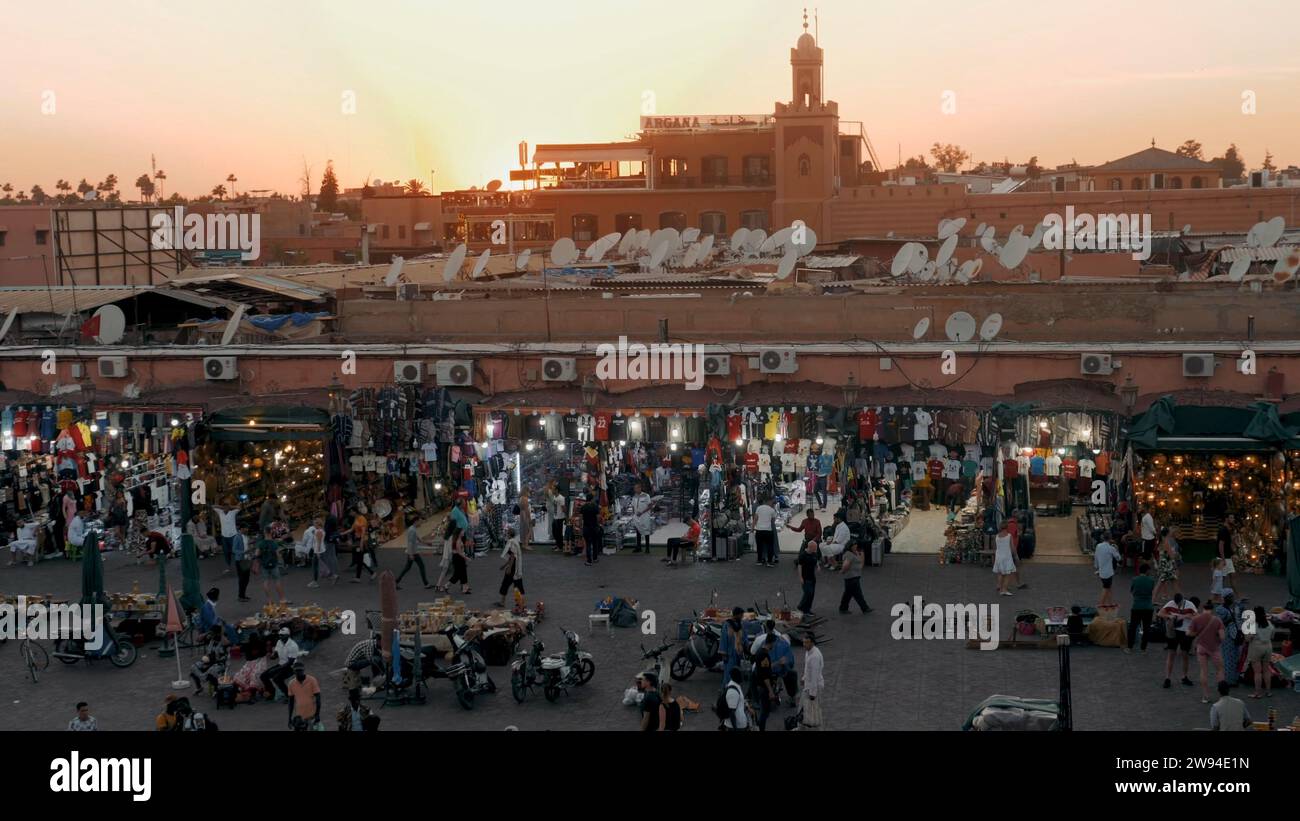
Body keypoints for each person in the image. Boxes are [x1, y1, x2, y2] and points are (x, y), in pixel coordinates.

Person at [1188, 599, 1226, 704]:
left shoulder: (1196, 619)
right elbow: (1222, 637)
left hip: (1201, 648)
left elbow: (1190, 634)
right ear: (1212, 609)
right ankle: (1222, 696)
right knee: (1219, 670)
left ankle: (1205, 696)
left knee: (1204, 671)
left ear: (1203, 608)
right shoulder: (1217, 620)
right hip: (1214, 648)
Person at [1159, 593, 1197, 689]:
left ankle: (1184, 676)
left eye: (1179, 603)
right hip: (1173, 632)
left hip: (1185, 632)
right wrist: (1169, 616)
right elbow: (1160, 613)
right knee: (1171, 654)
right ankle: (1167, 678)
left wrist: (1185, 616)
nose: (1178, 605)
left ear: (1183, 600)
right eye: (1176, 604)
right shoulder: (1171, 603)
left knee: (1185, 655)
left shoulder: (1190, 605)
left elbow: (1197, 617)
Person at [261, 627, 300, 701]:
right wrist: (271, 656)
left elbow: (290, 662)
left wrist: (276, 669)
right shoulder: (279, 642)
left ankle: (289, 696)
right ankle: (272, 693)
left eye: (282, 635)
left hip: (291, 667)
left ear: (288, 635)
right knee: (263, 676)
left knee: (277, 679)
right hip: (281, 664)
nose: (280, 636)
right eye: (280, 635)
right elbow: (275, 655)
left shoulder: (293, 646)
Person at [395, 514, 433, 590]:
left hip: (413, 552)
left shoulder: (413, 529)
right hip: (413, 553)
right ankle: (426, 584)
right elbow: (410, 543)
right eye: (420, 521)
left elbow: (418, 539)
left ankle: (396, 582)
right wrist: (411, 554)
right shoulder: (412, 530)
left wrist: (426, 543)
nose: (421, 523)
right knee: (420, 566)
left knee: (407, 568)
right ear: (416, 521)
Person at [1245, 605, 1275, 699]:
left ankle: (1258, 693)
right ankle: (1268, 691)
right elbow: (1272, 636)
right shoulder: (1269, 624)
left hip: (1256, 648)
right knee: (1266, 670)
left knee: (1257, 672)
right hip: (1268, 647)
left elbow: (1248, 638)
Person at [1125, 563, 1156, 653]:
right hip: (1148, 607)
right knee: (1146, 628)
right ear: (1146, 571)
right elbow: (1151, 591)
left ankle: (1129, 647)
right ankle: (1143, 648)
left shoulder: (1135, 579)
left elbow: (1132, 591)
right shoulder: (1151, 580)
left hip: (1137, 606)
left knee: (1133, 627)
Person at [191, 626, 228, 695]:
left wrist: (221, 634)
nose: (212, 635)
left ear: (218, 633)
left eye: (213, 633)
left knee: (212, 670)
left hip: (219, 663)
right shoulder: (210, 639)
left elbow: (226, 643)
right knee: (194, 667)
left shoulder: (223, 640)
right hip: (208, 661)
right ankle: (199, 687)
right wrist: (207, 633)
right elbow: (198, 639)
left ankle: (216, 689)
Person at [750, 634, 777, 731]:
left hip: (760, 685)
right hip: (763, 687)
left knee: (764, 711)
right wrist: (770, 691)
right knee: (764, 712)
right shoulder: (764, 655)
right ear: (772, 642)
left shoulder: (760, 652)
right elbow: (765, 675)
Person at [1215, 594, 1243, 687]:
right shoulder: (1221, 609)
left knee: (1236, 657)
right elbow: (1221, 623)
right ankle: (1229, 680)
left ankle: (1234, 678)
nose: (1232, 599)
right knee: (1228, 658)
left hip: (1234, 635)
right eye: (1230, 597)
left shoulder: (1233, 607)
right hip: (1227, 636)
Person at [838, 539, 872, 614]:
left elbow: (861, 564)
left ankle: (843, 608)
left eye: (856, 545)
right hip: (851, 577)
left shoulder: (855, 553)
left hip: (854, 576)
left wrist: (861, 554)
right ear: (850, 546)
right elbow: (846, 565)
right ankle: (865, 608)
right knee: (858, 594)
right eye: (854, 546)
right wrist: (842, 571)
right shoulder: (848, 554)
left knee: (848, 594)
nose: (855, 546)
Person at [799, 633, 824, 730]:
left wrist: (812, 693)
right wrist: (804, 678)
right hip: (808, 685)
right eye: (804, 642)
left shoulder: (814, 657)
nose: (804, 644)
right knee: (805, 709)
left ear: (812, 643)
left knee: (813, 712)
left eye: (807, 642)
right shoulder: (809, 652)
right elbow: (808, 669)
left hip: (813, 687)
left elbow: (814, 676)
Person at [287, 661, 321, 730]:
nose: (299, 672)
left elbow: (318, 698)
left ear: (303, 670)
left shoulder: (312, 680)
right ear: (293, 671)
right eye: (296, 670)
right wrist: (289, 718)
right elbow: (291, 702)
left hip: (311, 715)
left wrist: (317, 714)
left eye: (300, 670)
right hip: (299, 717)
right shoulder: (291, 683)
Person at [256, 525, 286, 604]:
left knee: (266, 582)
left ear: (264, 532)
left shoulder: (261, 543)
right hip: (274, 564)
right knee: (277, 581)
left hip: (264, 565)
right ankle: (282, 599)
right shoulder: (274, 543)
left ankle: (269, 600)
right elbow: (278, 555)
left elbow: (257, 554)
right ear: (271, 532)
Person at [496, 526, 524, 607]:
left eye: (507, 533)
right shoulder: (515, 541)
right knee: (518, 585)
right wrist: (504, 566)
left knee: (506, 583)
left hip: (513, 567)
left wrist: (509, 568)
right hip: (517, 566)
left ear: (509, 534)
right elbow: (513, 556)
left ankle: (503, 602)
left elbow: (512, 556)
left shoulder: (511, 542)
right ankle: (520, 603)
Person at [1092, 530, 1122, 607]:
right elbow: (1118, 558)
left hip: (1101, 570)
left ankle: (1110, 602)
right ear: (1110, 538)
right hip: (1108, 572)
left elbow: (1096, 557)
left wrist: (1097, 567)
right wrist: (1116, 548)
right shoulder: (1111, 548)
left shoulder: (1098, 546)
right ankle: (1101, 604)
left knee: (1109, 587)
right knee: (1106, 588)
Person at [1153, 526, 1181, 602]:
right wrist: (1175, 555)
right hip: (1167, 565)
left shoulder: (1161, 541)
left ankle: (1179, 597)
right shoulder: (1166, 542)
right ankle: (1180, 598)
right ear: (1168, 533)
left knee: (1164, 582)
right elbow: (1171, 555)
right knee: (1171, 581)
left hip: (1163, 564)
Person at [719, 667, 750, 731]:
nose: (743, 676)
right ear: (737, 676)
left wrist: (747, 706)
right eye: (741, 674)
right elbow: (731, 712)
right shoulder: (732, 691)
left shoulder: (736, 685)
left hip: (739, 725)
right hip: (736, 727)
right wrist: (735, 728)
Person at [350, 509, 377, 583]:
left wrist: (362, 543)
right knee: (360, 559)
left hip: (361, 542)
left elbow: (363, 533)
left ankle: (371, 572)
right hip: (361, 541)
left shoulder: (362, 520)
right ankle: (359, 577)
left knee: (360, 559)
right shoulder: (358, 519)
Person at [993, 520, 1017, 597]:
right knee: (1007, 574)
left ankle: (999, 587)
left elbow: (996, 547)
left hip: (999, 556)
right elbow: (1012, 547)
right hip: (1006, 556)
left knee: (1000, 573)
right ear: (1007, 527)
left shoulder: (997, 536)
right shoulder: (1009, 536)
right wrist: (1016, 555)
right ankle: (1004, 590)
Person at [213, 503, 240, 574]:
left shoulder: (232, 512)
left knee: (236, 551)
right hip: (224, 536)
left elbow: (239, 507)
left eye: (227, 507)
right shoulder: (220, 512)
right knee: (226, 552)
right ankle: (228, 567)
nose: (225, 509)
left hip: (233, 535)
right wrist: (222, 507)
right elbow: (213, 506)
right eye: (224, 507)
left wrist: (230, 506)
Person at [752, 494, 777, 567]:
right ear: (769, 501)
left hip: (759, 530)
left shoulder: (759, 508)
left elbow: (755, 519)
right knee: (770, 546)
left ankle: (759, 560)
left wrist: (752, 528)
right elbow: (773, 521)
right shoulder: (772, 510)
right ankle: (769, 562)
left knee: (759, 546)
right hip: (768, 530)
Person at [1216, 514, 1238, 592]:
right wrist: (1223, 559)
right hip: (1223, 558)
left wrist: (1233, 553)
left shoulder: (1229, 530)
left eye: (1233, 518)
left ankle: (1238, 595)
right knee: (1221, 578)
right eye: (1231, 518)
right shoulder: (1223, 530)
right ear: (1226, 519)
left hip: (1228, 557)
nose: (1233, 519)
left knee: (1232, 575)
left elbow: (1230, 544)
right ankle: (1217, 596)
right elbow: (1220, 545)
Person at [796, 539, 818, 615]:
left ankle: (807, 609)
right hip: (805, 577)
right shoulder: (803, 555)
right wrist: (800, 577)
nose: (815, 549)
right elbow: (799, 566)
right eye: (815, 548)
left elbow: (816, 560)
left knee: (812, 594)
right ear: (810, 547)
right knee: (808, 593)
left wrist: (817, 566)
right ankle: (801, 607)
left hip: (812, 577)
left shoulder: (814, 553)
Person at [630, 484, 653, 554]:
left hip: (645, 516)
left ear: (640, 488)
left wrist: (642, 512)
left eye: (636, 488)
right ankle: (639, 547)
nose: (635, 490)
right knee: (638, 531)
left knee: (646, 532)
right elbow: (633, 506)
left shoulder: (646, 495)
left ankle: (647, 548)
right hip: (637, 517)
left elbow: (650, 506)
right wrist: (634, 514)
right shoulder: (634, 496)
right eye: (634, 488)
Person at [302, 518, 325, 588]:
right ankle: (331, 576)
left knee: (315, 567)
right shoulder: (320, 530)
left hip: (317, 551)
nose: (314, 525)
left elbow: (318, 543)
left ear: (318, 524)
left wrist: (317, 552)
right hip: (319, 550)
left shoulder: (318, 531)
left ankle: (315, 582)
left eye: (315, 523)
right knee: (318, 566)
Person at [580, 493, 602, 567]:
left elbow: (580, 518)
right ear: (592, 499)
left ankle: (589, 561)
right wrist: (598, 525)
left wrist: (581, 527)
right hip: (594, 527)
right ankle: (595, 558)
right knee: (595, 543)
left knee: (588, 544)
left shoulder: (583, 507)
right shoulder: (595, 507)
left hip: (586, 528)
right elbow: (598, 517)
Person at [232, 527, 252, 602]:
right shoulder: (237, 537)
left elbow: (248, 546)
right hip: (240, 560)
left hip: (246, 560)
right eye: (245, 529)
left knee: (246, 579)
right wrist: (243, 552)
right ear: (241, 529)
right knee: (242, 579)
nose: (247, 530)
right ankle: (240, 596)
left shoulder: (246, 536)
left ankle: (243, 595)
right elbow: (234, 550)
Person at [546, 482, 567, 552]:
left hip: (560, 518)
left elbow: (564, 508)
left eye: (553, 489)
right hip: (555, 517)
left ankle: (560, 547)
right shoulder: (555, 497)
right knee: (554, 532)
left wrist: (566, 517)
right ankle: (557, 544)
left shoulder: (561, 498)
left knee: (559, 533)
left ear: (557, 490)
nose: (552, 490)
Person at [322, 512, 341, 585]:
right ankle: (336, 572)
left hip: (328, 540)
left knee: (328, 557)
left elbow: (326, 531)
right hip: (333, 539)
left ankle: (333, 574)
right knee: (333, 556)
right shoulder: (334, 519)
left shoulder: (329, 521)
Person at [1139, 504, 1158, 569]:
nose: (1153, 510)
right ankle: (1148, 568)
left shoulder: (1147, 517)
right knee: (1147, 555)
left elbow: (1151, 528)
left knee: (1146, 556)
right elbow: (1151, 528)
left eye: (1154, 509)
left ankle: (1147, 569)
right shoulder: (1147, 517)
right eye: (1151, 509)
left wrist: (1155, 533)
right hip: (1148, 539)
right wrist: (1156, 534)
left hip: (1147, 539)